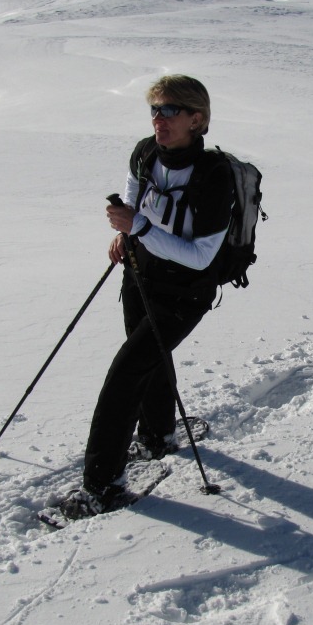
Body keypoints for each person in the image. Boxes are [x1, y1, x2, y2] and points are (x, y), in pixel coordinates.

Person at [58, 75, 233, 519]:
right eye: (155, 109)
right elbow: (136, 205)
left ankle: (102, 486)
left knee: (125, 374)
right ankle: (157, 436)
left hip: (185, 291)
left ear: (198, 119)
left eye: (170, 110)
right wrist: (128, 233)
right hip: (140, 275)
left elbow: (200, 257)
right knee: (148, 357)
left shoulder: (215, 176)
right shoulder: (144, 153)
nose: (159, 118)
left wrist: (138, 230)